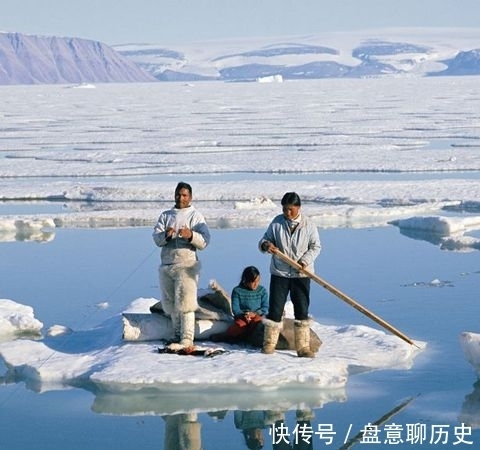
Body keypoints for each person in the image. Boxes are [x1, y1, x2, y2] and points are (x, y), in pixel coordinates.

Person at [259, 192, 321, 357]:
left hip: (301, 274)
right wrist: (266, 245)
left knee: (301, 310)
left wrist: (304, 262)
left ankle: (303, 348)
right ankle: (268, 345)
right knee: (275, 310)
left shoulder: (309, 225)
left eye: (290, 209)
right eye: (285, 209)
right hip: (280, 273)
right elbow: (264, 240)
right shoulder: (277, 222)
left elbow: (316, 247)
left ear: (298, 207)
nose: (287, 213)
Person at [153, 182, 210, 350]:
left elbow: (205, 241)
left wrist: (191, 235)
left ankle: (186, 338)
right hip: (167, 264)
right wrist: (166, 235)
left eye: (184, 195)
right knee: (171, 303)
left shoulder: (195, 216)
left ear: (190, 197)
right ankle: (176, 335)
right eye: (178, 194)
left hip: (187, 265)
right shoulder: (166, 215)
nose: (181, 198)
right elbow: (157, 239)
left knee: (185, 303)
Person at [226, 266, 269, 342]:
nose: (256, 284)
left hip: (257, 317)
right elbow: (235, 310)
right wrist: (245, 315)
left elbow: (265, 307)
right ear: (246, 280)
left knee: (258, 322)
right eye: (253, 282)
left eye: (258, 281)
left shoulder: (262, 290)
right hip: (243, 318)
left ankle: (249, 336)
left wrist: (255, 314)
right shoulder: (237, 291)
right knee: (236, 328)